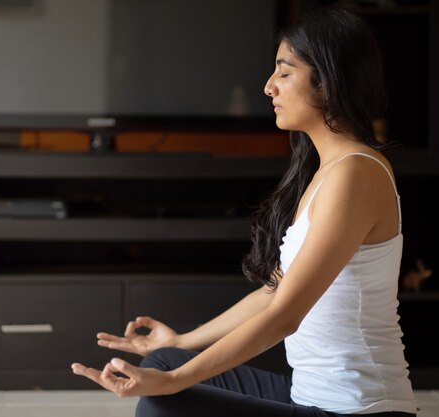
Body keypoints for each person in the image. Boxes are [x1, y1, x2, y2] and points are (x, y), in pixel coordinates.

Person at [72, 5, 417, 416]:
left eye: (284, 72)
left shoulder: (355, 174)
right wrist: (181, 343)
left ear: (325, 83)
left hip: (357, 410)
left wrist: (175, 382)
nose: (269, 87)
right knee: (164, 360)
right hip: (308, 397)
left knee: (166, 400)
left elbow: (284, 315)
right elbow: (275, 291)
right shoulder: (326, 171)